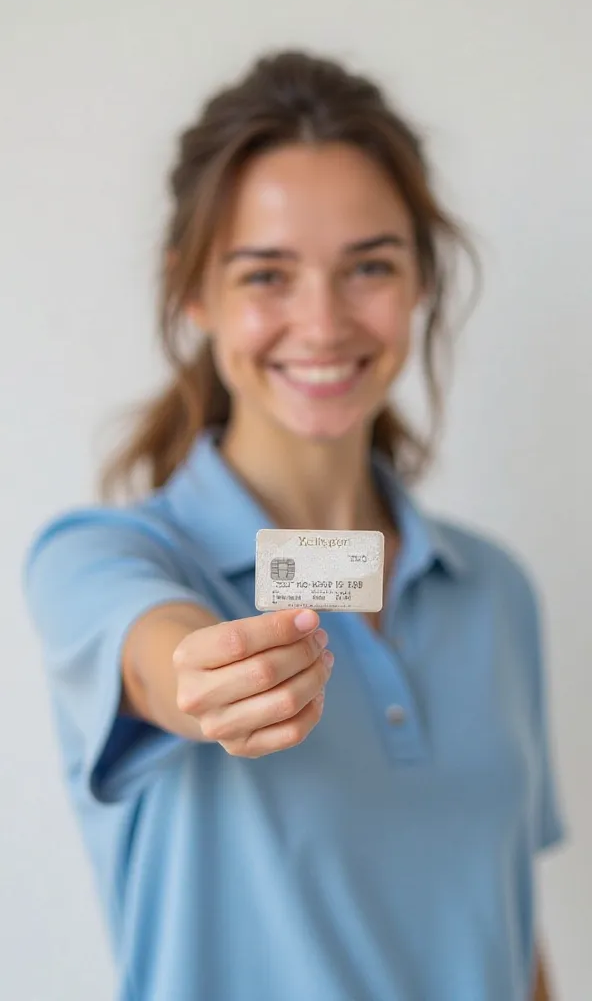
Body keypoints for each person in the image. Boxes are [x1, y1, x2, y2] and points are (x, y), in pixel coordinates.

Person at [24, 50, 564, 1001]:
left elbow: (509, 929)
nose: (321, 324)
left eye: (368, 267)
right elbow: (163, 659)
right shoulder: (102, 559)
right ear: (195, 292)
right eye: (267, 275)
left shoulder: (497, 592)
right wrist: (206, 675)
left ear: (420, 283)